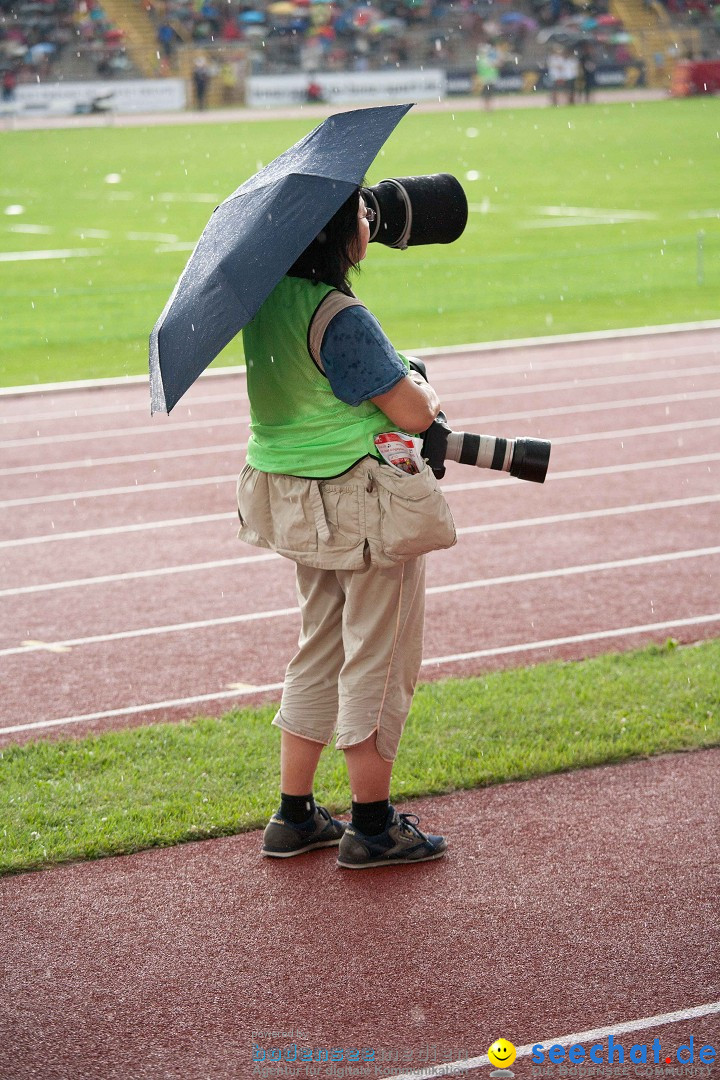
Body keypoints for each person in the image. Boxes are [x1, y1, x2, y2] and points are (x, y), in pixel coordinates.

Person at [236, 190, 454, 869]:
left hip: (291, 497)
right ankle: (372, 824)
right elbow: (412, 411)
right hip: (360, 498)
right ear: (334, 237)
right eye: (361, 216)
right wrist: (423, 383)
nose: (371, 224)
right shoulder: (340, 315)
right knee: (378, 656)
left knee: (319, 647)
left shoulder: (264, 305)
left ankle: (294, 814)